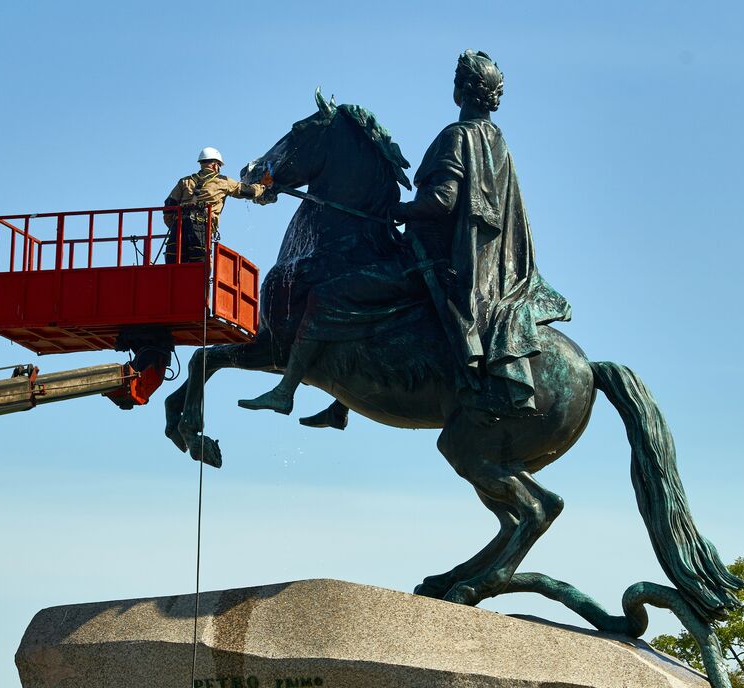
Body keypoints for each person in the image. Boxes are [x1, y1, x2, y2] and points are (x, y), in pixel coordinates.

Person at [239, 50, 568, 417]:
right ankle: (340, 405)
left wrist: (397, 210)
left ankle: (286, 390)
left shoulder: (457, 136)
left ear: (461, 91)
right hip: (475, 266)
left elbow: (443, 200)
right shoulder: (496, 141)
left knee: (329, 295)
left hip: (436, 262)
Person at [164, 147, 272, 263]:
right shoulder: (223, 181)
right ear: (215, 165)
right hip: (200, 228)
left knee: (174, 263)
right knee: (201, 266)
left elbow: (169, 204)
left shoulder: (184, 181)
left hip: (178, 228)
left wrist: (173, 224)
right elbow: (248, 191)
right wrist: (263, 185)